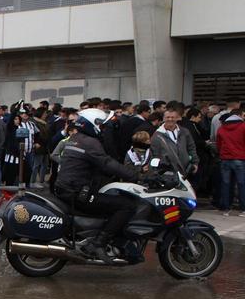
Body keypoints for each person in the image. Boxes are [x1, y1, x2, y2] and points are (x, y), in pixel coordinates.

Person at [54, 109, 142, 263]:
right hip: (78, 193)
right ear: (93, 124)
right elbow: (107, 163)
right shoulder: (90, 142)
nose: (103, 130)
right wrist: (135, 176)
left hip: (69, 189)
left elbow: (96, 165)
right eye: (101, 126)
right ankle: (98, 243)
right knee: (126, 206)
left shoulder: (76, 138)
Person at [151, 106, 199, 177]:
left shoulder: (184, 132)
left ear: (177, 118)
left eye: (173, 117)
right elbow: (154, 154)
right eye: (168, 117)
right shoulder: (157, 135)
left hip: (186, 171)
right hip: (167, 173)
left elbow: (191, 148)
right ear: (164, 118)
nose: (170, 119)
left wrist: (195, 163)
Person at [216, 109, 245, 215]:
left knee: (226, 184)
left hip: (225, 158)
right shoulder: (243, 126)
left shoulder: (221, 128)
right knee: (242, 184)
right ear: (238, 116)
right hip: (240, 158)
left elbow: (218, 144)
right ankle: (243, 209)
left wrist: (222, 153)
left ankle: (226, 208)